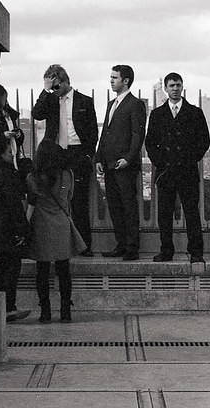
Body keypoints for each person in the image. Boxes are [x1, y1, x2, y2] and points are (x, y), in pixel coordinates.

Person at [31, 64, 99, 257]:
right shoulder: (51, 99)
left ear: (66, 82)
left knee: (79, 200)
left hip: (77, 153)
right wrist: (46, 90)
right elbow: (37, 114)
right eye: (51, 87)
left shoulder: (85, 101)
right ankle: (57, 244)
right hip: (54, 152)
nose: (55, 90)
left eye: (56, 86)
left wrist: (87, 156)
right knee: (52, 197)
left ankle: (84, 245)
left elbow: (93, 132)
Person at [145, 72, 210, 264]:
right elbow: (150, 143)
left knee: (192, 213)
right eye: (171, 86)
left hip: (187, 170)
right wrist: (159, 162)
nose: (175, 89)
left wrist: (191, 158)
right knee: (164, 214)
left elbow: (204, 141)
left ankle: (196, 252)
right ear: (165, 88)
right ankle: (166, 251)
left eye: (178, 85)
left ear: (183, 87)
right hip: (165, 171)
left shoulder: (195, 112)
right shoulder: (157, 114)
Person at [27, 144, 86, 323]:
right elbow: (69, 198)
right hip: (61, 225)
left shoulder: (32, 178)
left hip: (41, 226)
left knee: (42, 271)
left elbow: (31, 203)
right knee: (64, 271)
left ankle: (45, 312)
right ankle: (65, 311)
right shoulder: (67, 176)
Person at [95, 64, 147, 261]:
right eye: (111, 77)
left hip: (125, 164)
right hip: (109, 163)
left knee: (128, 205)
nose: (111, 80)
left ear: (125, 81)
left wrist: (129, 157)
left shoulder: (135, 104)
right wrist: (98, 157)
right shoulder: (111, 103)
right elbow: (105, 133)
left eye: (115, 77)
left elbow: (137, 134)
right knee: (115, 206)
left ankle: (132, 247)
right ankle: (121, 244)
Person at [0, 83, 32, 322]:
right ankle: (7, 307)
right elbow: (14, 206)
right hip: (7, 228)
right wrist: (23, 229)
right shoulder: (5, 174)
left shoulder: (9, 116)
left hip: (1, 226)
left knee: (4, 265)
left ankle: (5, 307)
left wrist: (15, 135)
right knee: (8, 264)